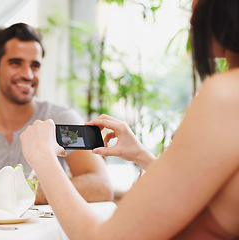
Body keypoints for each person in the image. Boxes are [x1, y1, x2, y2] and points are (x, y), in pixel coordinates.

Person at [19, 0, 239, 239]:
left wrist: (43, 157)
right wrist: (141, 156)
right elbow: (210, 198)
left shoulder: (226, 94)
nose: (191, 19)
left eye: (196, 5)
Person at [0, 23, 113, 204]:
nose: (27, 74)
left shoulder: (63, 120)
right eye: (15, 63)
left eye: (34, 66)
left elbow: (101, 187)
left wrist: (19, 193)